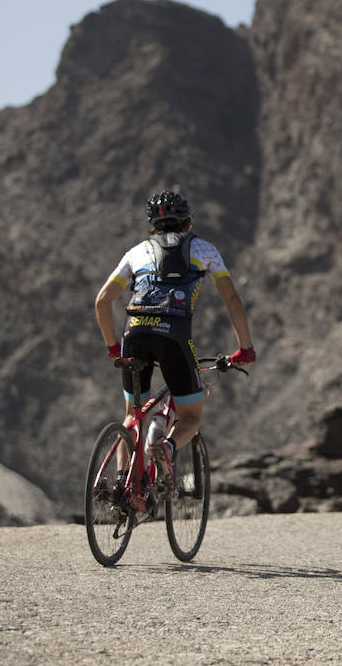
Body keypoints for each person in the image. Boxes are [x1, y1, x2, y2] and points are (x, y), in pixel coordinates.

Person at [94, 191, 256, 492]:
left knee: (132, 416)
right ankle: (166, 448)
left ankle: (120, 485)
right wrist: (245, 348)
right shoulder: (204, 250)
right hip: (174, 338)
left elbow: (102, 301)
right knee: (191, 417)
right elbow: (232, 299)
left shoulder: (136, 252)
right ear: (188, 222)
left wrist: (113, 347)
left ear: (152, 225)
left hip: (134, 334)